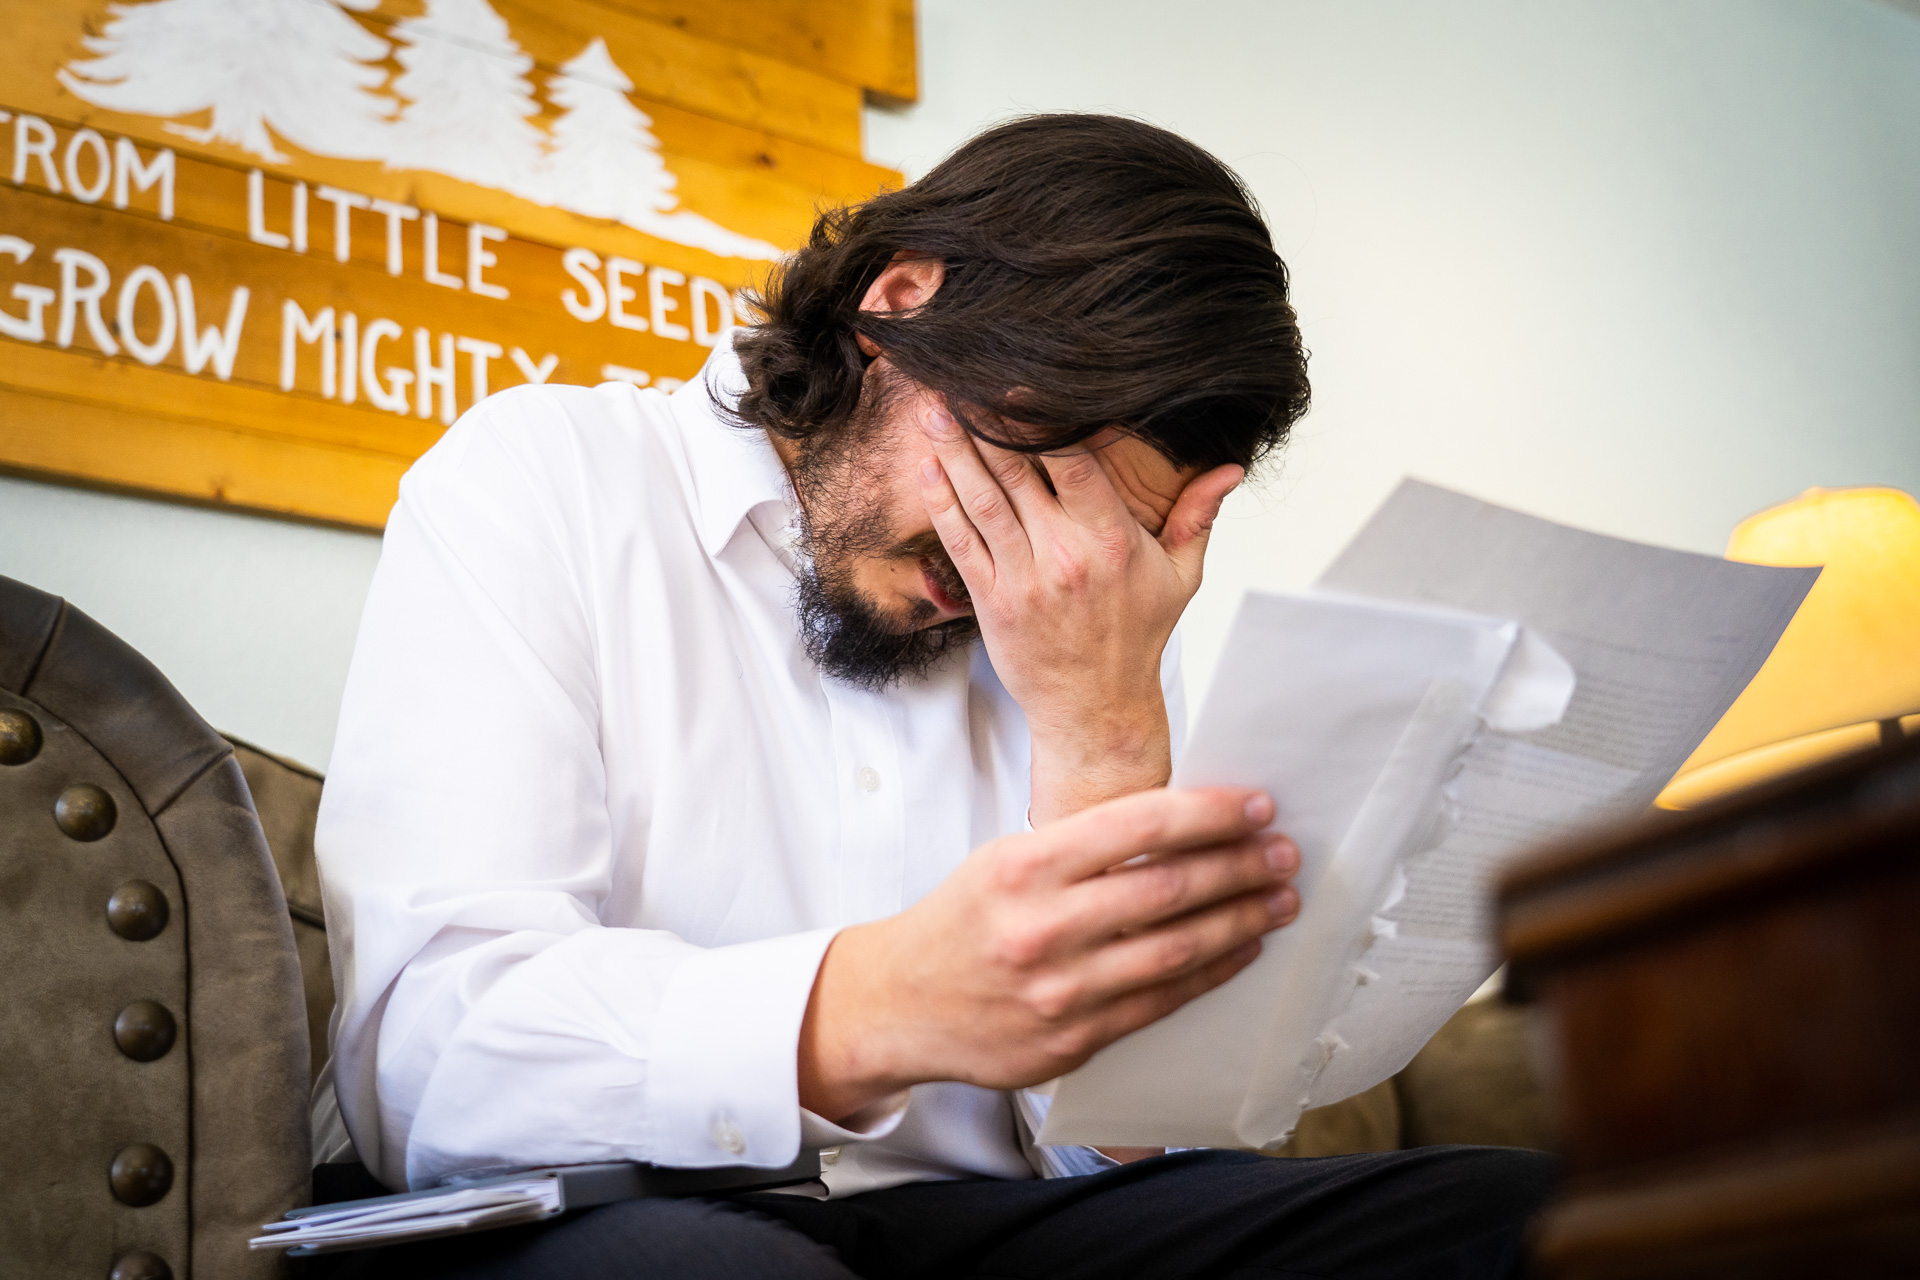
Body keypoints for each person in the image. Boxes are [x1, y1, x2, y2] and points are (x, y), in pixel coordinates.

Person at [313, 113, 1552, 1279]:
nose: (1017, 570)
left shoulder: (1085, 597)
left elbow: (1129, 1166)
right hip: (612, 1209)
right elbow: (430, 1059)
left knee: (1522, 1214)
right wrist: (865, 1007)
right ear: (898, 302)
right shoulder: (544, 476)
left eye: (1100, 526)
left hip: (990, 1227)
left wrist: (1104, 740)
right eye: (1014, 481)